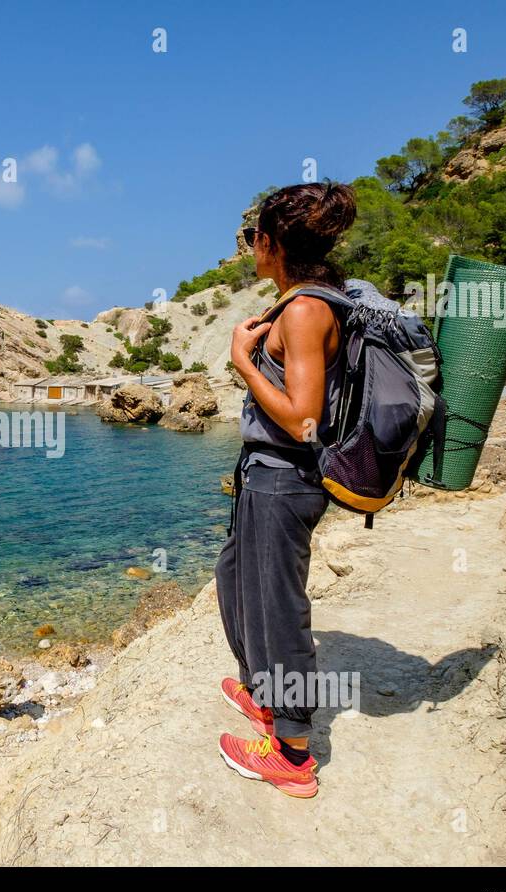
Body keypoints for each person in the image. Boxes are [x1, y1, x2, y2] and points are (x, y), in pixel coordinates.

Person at [215, 181, 357, 799]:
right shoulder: (305, 300)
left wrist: (244, 363)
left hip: (284, 478)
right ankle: (263, 693)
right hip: (261, 475)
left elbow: (305, 419)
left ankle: (293, 752)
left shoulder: (305, 311)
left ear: (270, 244)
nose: (250, 248)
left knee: (279, 606)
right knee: (234, 576)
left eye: (253, 238)